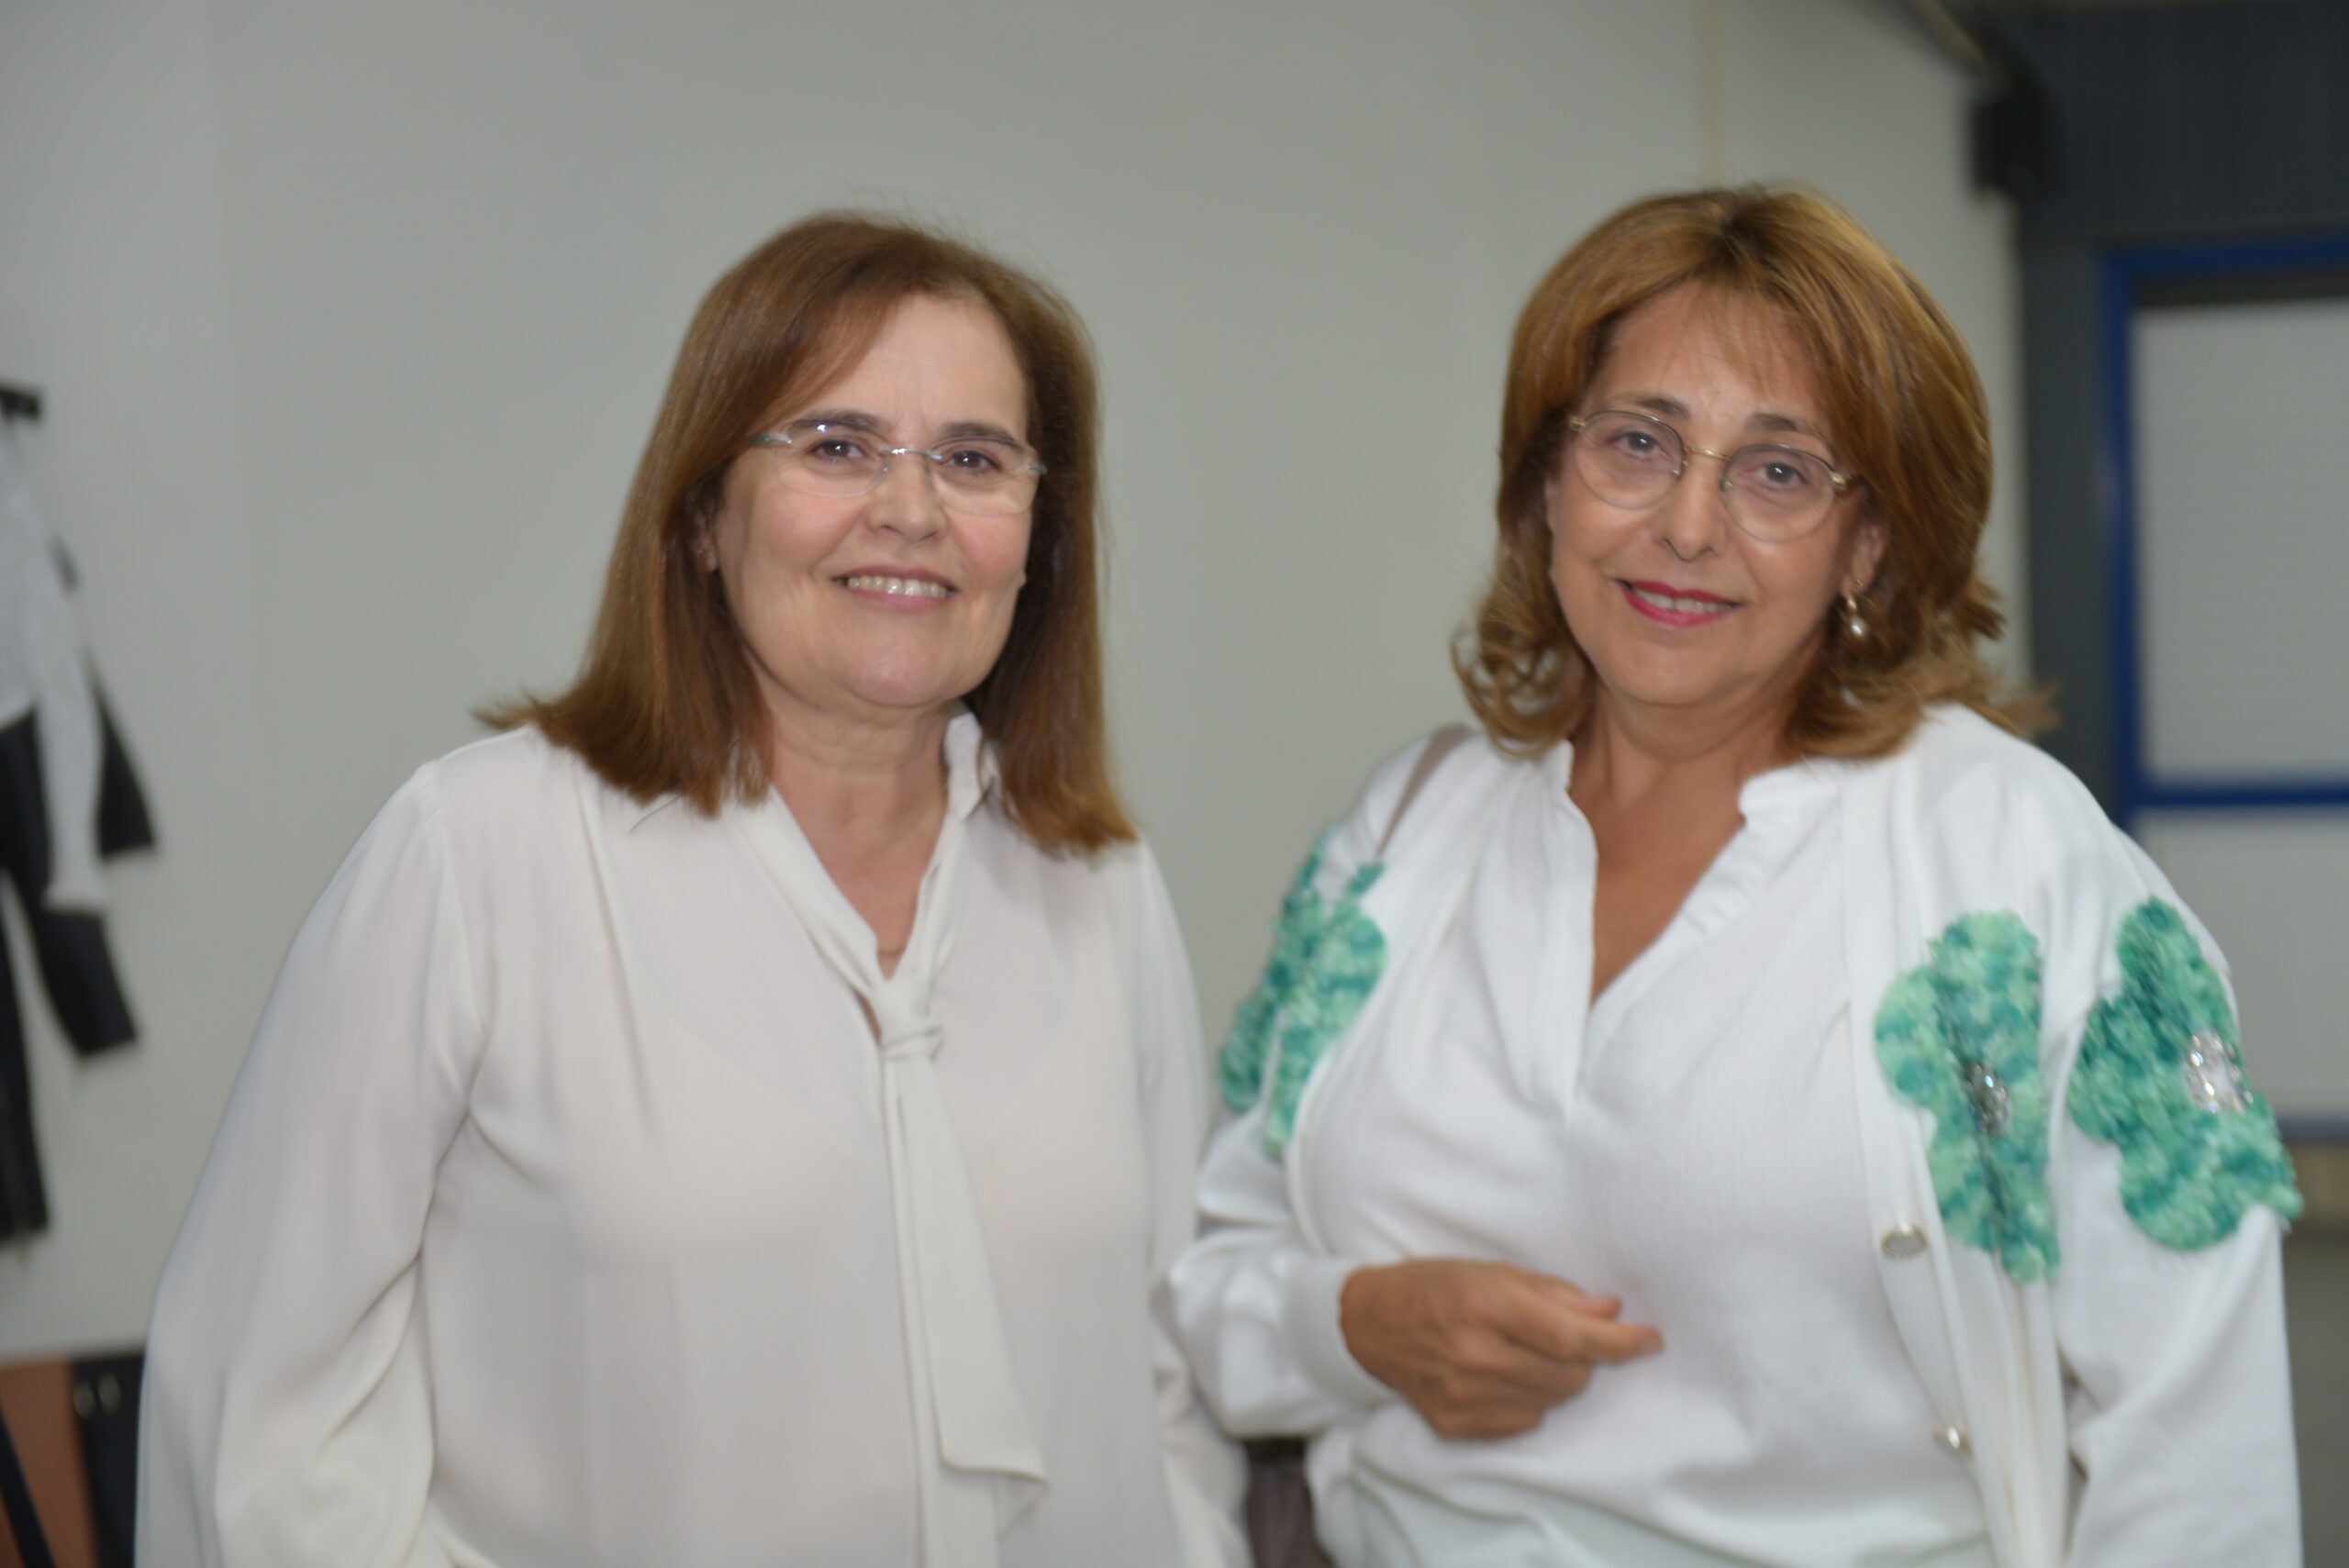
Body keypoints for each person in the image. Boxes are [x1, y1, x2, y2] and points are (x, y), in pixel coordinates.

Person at [1173, 186, 2303, 1568]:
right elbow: (1210, 1277)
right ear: (1547, 482)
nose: (1688, 524)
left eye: (1779, 472)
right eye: (1638, 443)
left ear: (1868, 544)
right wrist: (1351, 1327)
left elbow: (2197, 1451)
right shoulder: (1405, 831)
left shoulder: (2021, 870)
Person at [139, 215, 1244, 1568]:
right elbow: (263, 1424)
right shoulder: (481, 857)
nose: (912, 510)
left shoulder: (1099, 882)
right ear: (706, 517)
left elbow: (1167, 1376)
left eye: (973, 458)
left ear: (1035, 538)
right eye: (836, 444)